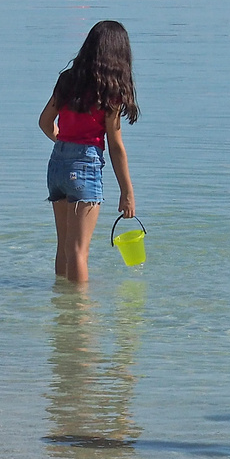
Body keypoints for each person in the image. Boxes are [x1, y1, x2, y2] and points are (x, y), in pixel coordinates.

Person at [36, 20, 138, 283]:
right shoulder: (110, 92)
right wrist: (127, 193)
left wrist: (63, 142)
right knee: (79, 251)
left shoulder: (67, 81)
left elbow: (45, 122)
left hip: (57, 165)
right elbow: (115, 147)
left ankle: (62, 311)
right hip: (85, 167)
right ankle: (79, 318)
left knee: (64, 248)